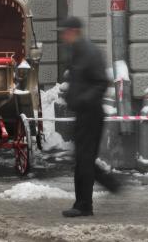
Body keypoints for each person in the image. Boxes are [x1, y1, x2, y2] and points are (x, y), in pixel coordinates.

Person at [58, 16, 120, 218]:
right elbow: (79, 81)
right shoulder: (77, 52)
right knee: (82, 160)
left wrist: (83, 100)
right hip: (82, 114)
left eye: (65, 32)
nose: (62, 36)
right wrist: (70, 95)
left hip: (91, 114)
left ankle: (85, 205)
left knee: (84, 160)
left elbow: (101, 83)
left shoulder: (90, 52)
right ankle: (101, 191)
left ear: (73, 31)